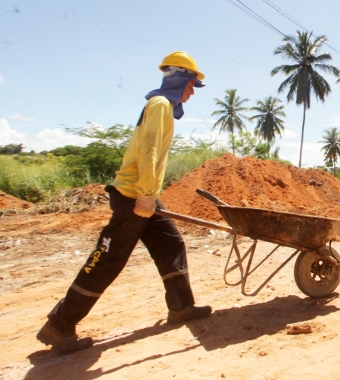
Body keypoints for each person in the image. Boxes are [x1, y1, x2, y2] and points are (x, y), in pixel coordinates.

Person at [36, 51, 211, 355]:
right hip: (134, 196)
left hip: (145, 196)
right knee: (107, 260)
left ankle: (182, 307)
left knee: (171, 244)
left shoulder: (163, 107)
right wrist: (144, 194)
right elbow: (150, 150)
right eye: (192, 84)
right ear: (182, 78)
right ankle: (60, 325)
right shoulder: (159, 105)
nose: (193, 91)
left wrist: (150, 196)